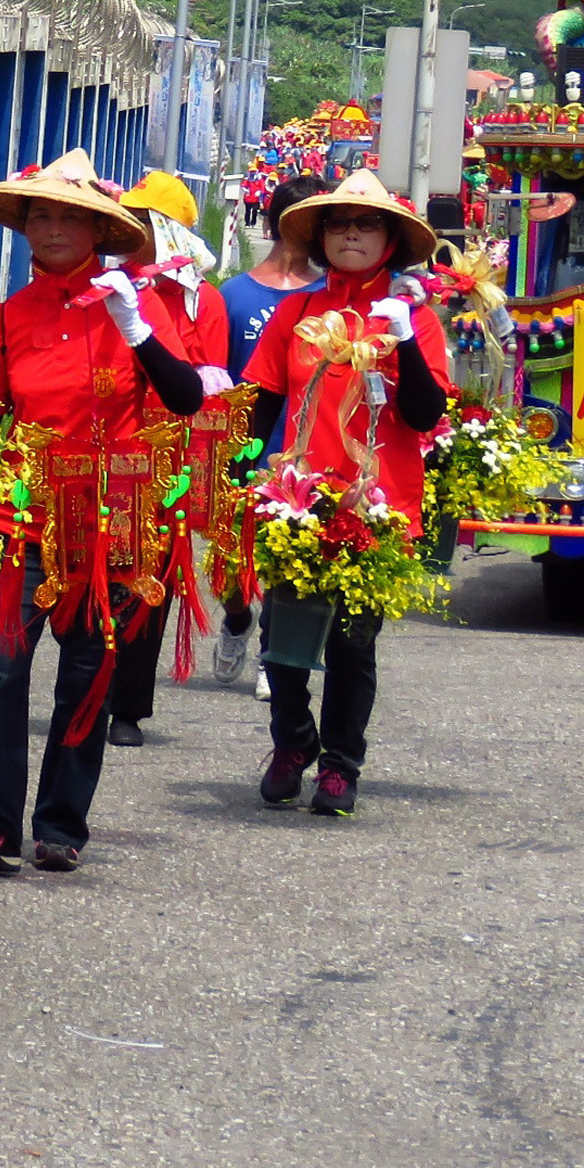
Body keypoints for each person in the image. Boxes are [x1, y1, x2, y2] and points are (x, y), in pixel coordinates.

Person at [0, 152, 205, 878]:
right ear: (24, 227)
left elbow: (186, 400)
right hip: (21, 520)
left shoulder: (138, 307)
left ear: (99, 228)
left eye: (70, 215)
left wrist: (137, 329)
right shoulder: (3, 319)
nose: (53, 227)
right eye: (41, 214)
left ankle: (61, 823)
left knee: (88, 675)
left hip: (112, 521)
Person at [237, 169, 448, 820]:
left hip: (378, 504)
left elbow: (424, 413)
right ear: (321, 236)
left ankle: (340, 766)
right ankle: (293, 743)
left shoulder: (415, 321)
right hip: (298, 500)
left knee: (353, 644)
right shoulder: (296, 314)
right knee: (283, 641)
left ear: (390, 239)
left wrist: (404, 341)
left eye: (367, 223)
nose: (351, 233)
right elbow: (263, 405)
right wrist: (239, 475)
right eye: (339, 223)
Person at [101, 169, 239, 747]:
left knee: (144, 580)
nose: (126, 231)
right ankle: (87, 688)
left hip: (161, 459)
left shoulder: (200, 300)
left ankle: (128, 706)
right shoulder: (107, 285)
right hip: (102, 444)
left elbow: (207, 386)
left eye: (139, 222)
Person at [210, 171, 328, 680]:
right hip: (241, 447)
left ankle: (273, 654)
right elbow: (215, 376)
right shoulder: (233, 294)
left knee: (292, 559)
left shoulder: (327, 300)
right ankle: (237, 621)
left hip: (304, 454)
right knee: (230, 567)